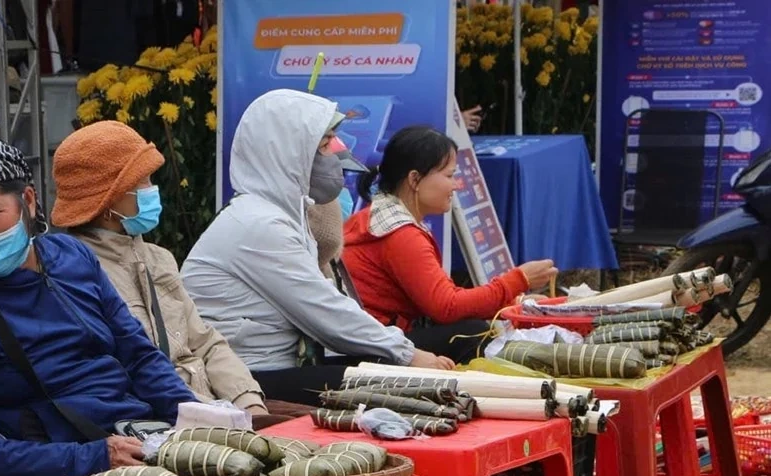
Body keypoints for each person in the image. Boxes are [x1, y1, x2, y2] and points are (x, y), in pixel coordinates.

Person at [0, 136, 196, 476]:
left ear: (28, 202)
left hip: (138, 433)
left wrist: (192, 417)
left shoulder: (72, 256)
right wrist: (93, 458)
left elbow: (139, 355)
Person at [181, 89, 454, 408]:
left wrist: (399, 352)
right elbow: (324, 313)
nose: (337, 155)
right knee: (401, 391)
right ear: (290, 152)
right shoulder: (258, 224)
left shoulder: (281, 215)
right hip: (246, 378)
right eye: (326, 144)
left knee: (403, 375)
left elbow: (328, 307)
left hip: (273, 368)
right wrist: (408, 354)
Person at [48, 120, 268, 420]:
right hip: (164, 420)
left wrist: (248, 400)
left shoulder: (157, 258)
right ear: (108, 199)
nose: (153, 191)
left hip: (215, 408)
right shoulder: (71, 271)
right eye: (143, 182)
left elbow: (205, 341)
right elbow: (122, 375)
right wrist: (206, 416)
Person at [343, 125, 558, 363]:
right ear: (415, 179)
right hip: (370, 351)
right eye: (449, 175)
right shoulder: (401, 234)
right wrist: (519, 280)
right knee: (471, 333)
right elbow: (447, 307)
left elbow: (445, 298)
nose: (455, 185)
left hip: (372, 341)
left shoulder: (383, 218)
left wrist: (514, 304)